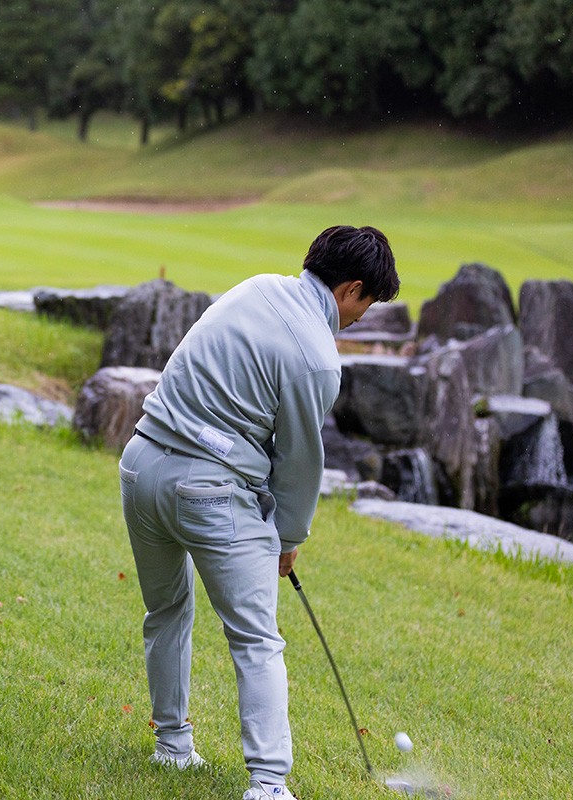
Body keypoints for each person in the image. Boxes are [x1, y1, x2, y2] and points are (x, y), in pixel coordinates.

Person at [118, 225, 399, 800]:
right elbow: (297, 463)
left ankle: (173, 747)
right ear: (350, 289)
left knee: (166, 611)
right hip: (207, 492)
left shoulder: (256, 287)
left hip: (140, 465)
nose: (362, 317)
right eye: (367, 304)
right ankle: (269, 785)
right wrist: (288, 537)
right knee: (257, 641)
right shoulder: (319, 359)